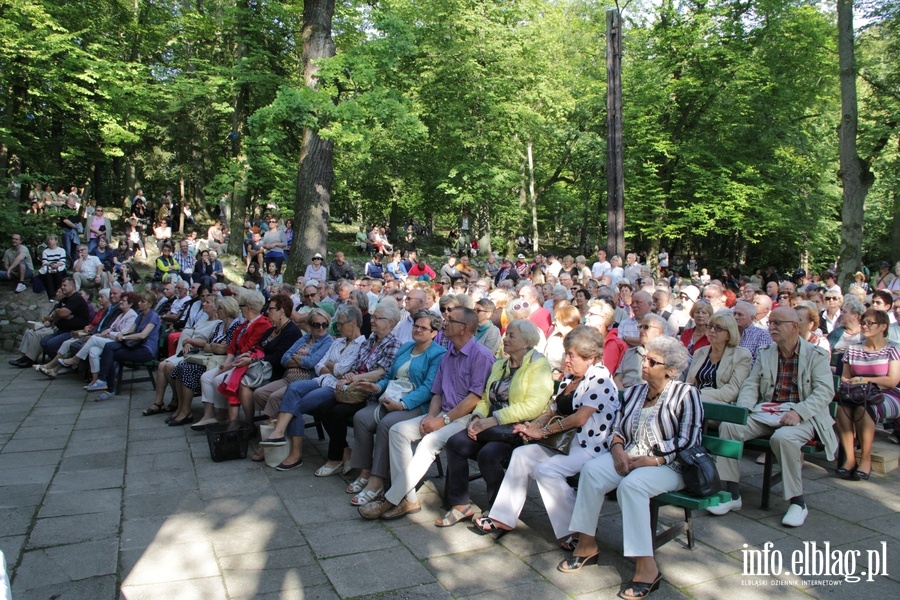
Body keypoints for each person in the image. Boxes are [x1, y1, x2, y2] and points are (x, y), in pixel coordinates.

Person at [560, 337, 699, 600]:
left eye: (652, 361)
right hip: (631, 456)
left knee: (632, 486)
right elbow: (618, 429)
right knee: (591, 471)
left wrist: (655, 459)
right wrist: (617, 450)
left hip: (670, 464)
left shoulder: (686, 394)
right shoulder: (636, 391)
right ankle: (587, 544)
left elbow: (688, 440)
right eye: (645, 358)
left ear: (670, 369)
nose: (644, 364)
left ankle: (646, 566)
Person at [471, 325, 619, 544]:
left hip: (591, 446)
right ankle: (503, 516)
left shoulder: (600, 379)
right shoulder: (571, 378)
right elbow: (553, 410)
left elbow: (580, 418)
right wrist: (532, 427)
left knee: (545, 471)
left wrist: (543, 432)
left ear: (591, 358)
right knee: (522, 455)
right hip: (566, 443)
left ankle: (576, 529)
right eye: (566, 353)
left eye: (572, 355)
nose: (566, 360)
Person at [358, 307, 495, 521]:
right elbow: (437, 391)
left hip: (465, 416)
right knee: (397, 431)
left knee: (428, 443)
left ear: (464, 329)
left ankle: (391, 498)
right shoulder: (449, 353)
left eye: (450, 320)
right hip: (442, 411)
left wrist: (443, 420)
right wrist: (431, 416)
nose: (445, 323)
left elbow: (474, 398)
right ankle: (408, 498)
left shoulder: (482, 356)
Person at [709, 307, 837, 528]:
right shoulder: (766, 352)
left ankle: (797, 502)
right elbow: (751, 384)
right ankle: (731, 493)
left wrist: (799, 412)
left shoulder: (816, 355)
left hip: (802, 415)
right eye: (770, 323)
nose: (772, 327)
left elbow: (825, 391)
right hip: (766, 412)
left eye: (778, 323)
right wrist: (745, 408)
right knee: (729, 426)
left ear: (795, 326)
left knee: (784, 439)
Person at [259, 304, 400, 472]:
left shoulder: (369, 342)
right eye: (316, 325)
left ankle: (304, 454)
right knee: (294, 390)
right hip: (330, 381)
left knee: (303, 405)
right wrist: (335, 369)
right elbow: (319, 365)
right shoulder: (356, 341)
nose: (335, 328)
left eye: (336, 324)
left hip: (355, 389)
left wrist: (339, 370)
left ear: (353, 323)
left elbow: (351, 370)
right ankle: (280, 434)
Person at [441, 320, 552, 524]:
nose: (505, 338)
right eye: (506, 334)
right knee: (455, 443)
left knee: (488, 454)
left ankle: (498, 509)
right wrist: (477, 417)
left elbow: (533, 406)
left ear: (526, 342)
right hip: (490, 427)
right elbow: (485, 398)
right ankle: (460, 504)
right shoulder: (501, 364)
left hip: (518, 429)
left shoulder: (539, 366)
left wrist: (494, 420)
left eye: (511, 335)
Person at [326, 311, 445, 498]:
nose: (418, 330)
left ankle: (377, 479)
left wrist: (403, 404)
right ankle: (364, 470)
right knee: (362, 417)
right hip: (392, 397)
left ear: (434, 333)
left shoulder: (438, 354)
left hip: (416, 404)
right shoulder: (406, 348)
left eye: (424, 328)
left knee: (387, 423)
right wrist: (375, 387)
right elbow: (389, 377)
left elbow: (428, 388)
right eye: (416, 326)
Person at [245, 308, 335, 449]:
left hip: (305, 381)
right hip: (288, 377)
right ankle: (280, 427)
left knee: (275, 398)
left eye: (325, 324)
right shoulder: (305, 338)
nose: (321, 328)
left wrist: (297, 358)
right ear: (310, 325)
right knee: (259, 394)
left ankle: (272, 439)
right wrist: (302, 360)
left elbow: (313, 362)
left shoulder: (327, 341)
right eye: (317, 325)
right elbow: (284, 358)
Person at [834, 308, 900, 479]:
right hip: (857, 392)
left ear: (883, 326)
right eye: (863, 323)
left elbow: (892, 380)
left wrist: (864, 380)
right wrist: (856, 383)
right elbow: (846, 378)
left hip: (888, 393)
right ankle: (849, 459)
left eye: (870, 323)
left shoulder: (893, 349)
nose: (865, 326)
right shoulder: (853, 349)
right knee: (841, 408)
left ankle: (865, 458)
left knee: (864, 408)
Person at [87, 290, 163, 402]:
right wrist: (121, 334)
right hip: (136, 346)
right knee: (109, 346)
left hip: (146, 350)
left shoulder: (153, 316)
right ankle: (102, 380)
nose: (139, 303)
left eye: (143, 301)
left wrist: (123, 338)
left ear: (150, 304)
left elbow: (143, 335)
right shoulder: (141, 314)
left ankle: (109, 388)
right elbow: (131, 330)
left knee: (112, 354)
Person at [57, 292, 140, 388]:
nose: (121, 302)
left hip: (119, 342)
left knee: (93, 338)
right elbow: (112, 328)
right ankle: (96, 380)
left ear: (130, 304)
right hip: (110, 339)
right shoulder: (121, 314)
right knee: (93, 351)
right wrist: (102, 333)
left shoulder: (132, 315)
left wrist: (107, 334)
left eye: (124, 301)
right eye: (121, 300)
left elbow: (124, 333)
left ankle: (75, 359)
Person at [9, 277, 91, 369]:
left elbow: (62, 313)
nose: (62, 287)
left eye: (65, 285)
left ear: (72, 286)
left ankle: (63, 363)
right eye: (62, 285)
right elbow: (54, 316)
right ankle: (28, 359)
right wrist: (58, 313)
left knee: (50, 344)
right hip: (61, 329)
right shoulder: (65, 300)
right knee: (43, 341)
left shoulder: (76, 298)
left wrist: (59, 313)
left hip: (72, 332)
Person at [684, 310, 752, 405]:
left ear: (729, 334)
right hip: (693, 401)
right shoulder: (699, 352)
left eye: (718, 328)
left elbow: (731, 392)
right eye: (710, 326)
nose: (712, 330)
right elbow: (689, 383)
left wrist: (697, 394)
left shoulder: (742, 355)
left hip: (720, 404)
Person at [615, 313, 667, 389]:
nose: (641, 330)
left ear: (659, 332)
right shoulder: (629, 352)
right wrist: (624, 394)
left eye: (646, 327)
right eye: (640, 327)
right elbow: (617, 377)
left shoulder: (665, 357)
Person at [541, 303, 582, 379]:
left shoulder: (579, 342)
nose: (553, 322)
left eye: (557, 320)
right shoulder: (555, 338)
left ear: (566, 321)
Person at [732, 301, 773, 367]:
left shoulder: (762, 335)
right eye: (734, 314)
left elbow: (760, 362)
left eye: (740, 314)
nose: (735, 317)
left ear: (752, 318)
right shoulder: (728, 332)